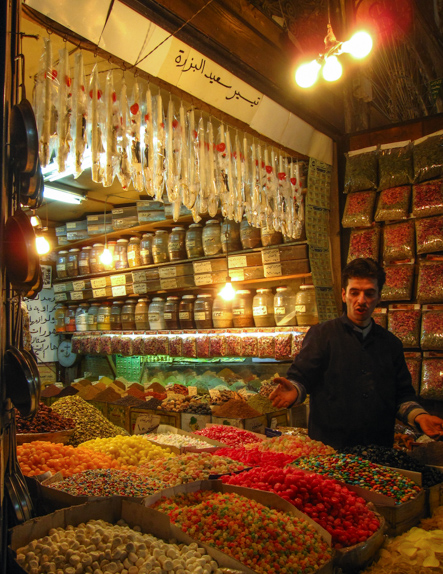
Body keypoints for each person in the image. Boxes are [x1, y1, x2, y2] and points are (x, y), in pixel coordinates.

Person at [269, 257, 443, 449]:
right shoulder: (322, 335)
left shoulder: (391, 344)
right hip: (329, 451)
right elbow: (302, 377)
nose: (361, 301)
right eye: (355, 293)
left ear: (379, 297)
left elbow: (402, 395)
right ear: (344, 295)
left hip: (378, 451)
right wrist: (294, 389)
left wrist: (420, 416)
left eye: (369, 293)